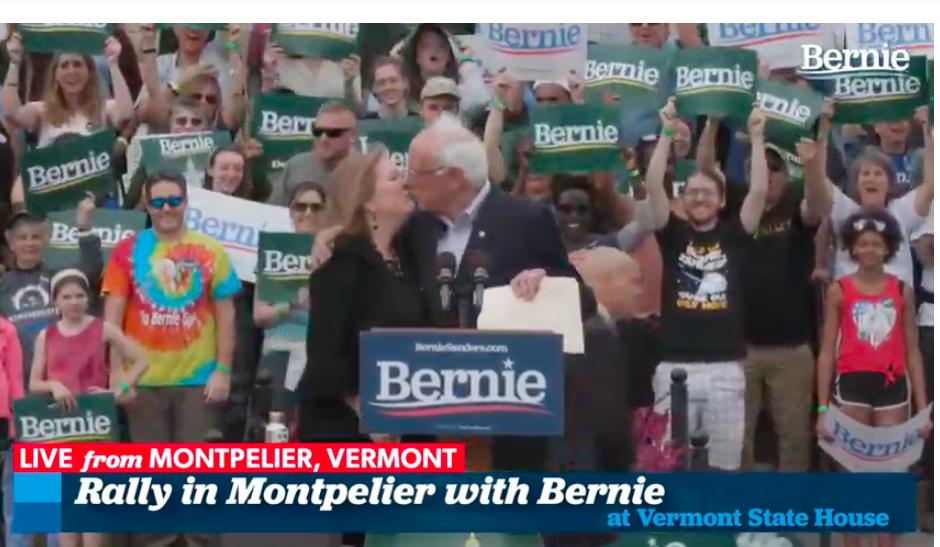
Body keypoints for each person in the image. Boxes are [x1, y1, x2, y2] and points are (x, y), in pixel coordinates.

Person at [102, 172, 239, 547]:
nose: (166, 209)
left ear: (185, 202)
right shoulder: (127, 251)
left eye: (173, 200)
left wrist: (223, 371)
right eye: (158, 202)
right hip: (143, 383)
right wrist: (118, 377)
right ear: (146, 205)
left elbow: (227, 314)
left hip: (198, 381)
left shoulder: (211, 249)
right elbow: (111, 322)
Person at [634, 98, 769, 471]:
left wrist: (757, 137)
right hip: (674, 367)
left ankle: (717, 529)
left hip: (725, 368)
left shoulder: (735, 234)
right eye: (691, 191)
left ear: (721, 200)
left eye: (708, 191)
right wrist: (664, 133)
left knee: (723, 466)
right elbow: (652, 186)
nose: (699, 196)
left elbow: (758, 192)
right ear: (683, 199)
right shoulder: (672, 233)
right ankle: (671, 530)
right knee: (667, 464)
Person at [816, 210, 932, 547]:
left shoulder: (902, 290)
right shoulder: (839, 290)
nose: (869, 249)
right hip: (851, 385)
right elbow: (826, 351)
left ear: (888, 248)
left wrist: (923, 409)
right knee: (851, 475)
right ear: (852, 248)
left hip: (892, 388)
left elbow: (912, 350)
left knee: (889, 476)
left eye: (876, 244)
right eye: (862, 244)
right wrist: (822, 409)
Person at [801, 105, 933, 287]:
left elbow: (931, 184)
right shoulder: (845, 210)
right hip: (849, 308)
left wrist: (928, 130)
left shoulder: (901, 211)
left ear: (889, 184)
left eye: (878, 174)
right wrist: (823, 132)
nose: (871, 178)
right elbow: (819, 184)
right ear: (856, 183)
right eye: (865, 174)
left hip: (896, 309)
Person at [254, 182, 326, 411]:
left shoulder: (337, 254)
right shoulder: (274, 251)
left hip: (322, 356)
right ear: (290, 211)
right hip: (279, 351)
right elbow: (259, 315)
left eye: (316, 207)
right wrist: (290, 304)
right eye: (301, 206)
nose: (308, 213)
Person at [2, 32, 133, 148]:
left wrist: (113, 63)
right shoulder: (42, 111)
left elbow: (125, 115)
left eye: (77, 64)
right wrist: (14, 62)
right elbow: (12, 113)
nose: (71, 71)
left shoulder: (104, 108)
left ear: (90, 72)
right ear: (55, 74)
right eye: (64, 66)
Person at [273, 100, 359, 206]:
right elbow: (272, 213)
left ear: (352, 136)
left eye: (333, 133)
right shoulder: (296, 166)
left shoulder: (368, 173)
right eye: (317, 131)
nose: (323, 139)